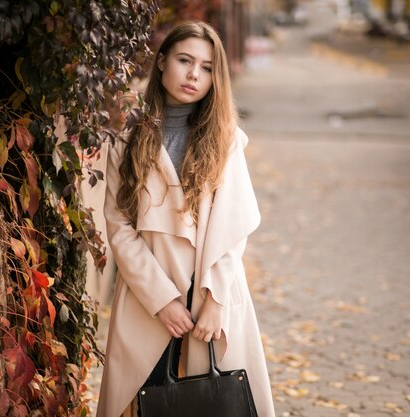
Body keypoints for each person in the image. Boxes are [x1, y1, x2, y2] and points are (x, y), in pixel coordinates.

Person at [96, 21, 276, 417]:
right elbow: (120, 227)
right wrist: (162, 301)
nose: (195, 74)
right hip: (148, 299)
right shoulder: (127, 139)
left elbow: (234, 229)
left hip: (212, 296)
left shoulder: (225, 140)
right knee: (141, 403)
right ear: (161, 63)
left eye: (208, 67)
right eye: (184, 60)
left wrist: (214, 301)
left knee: (213, 404)